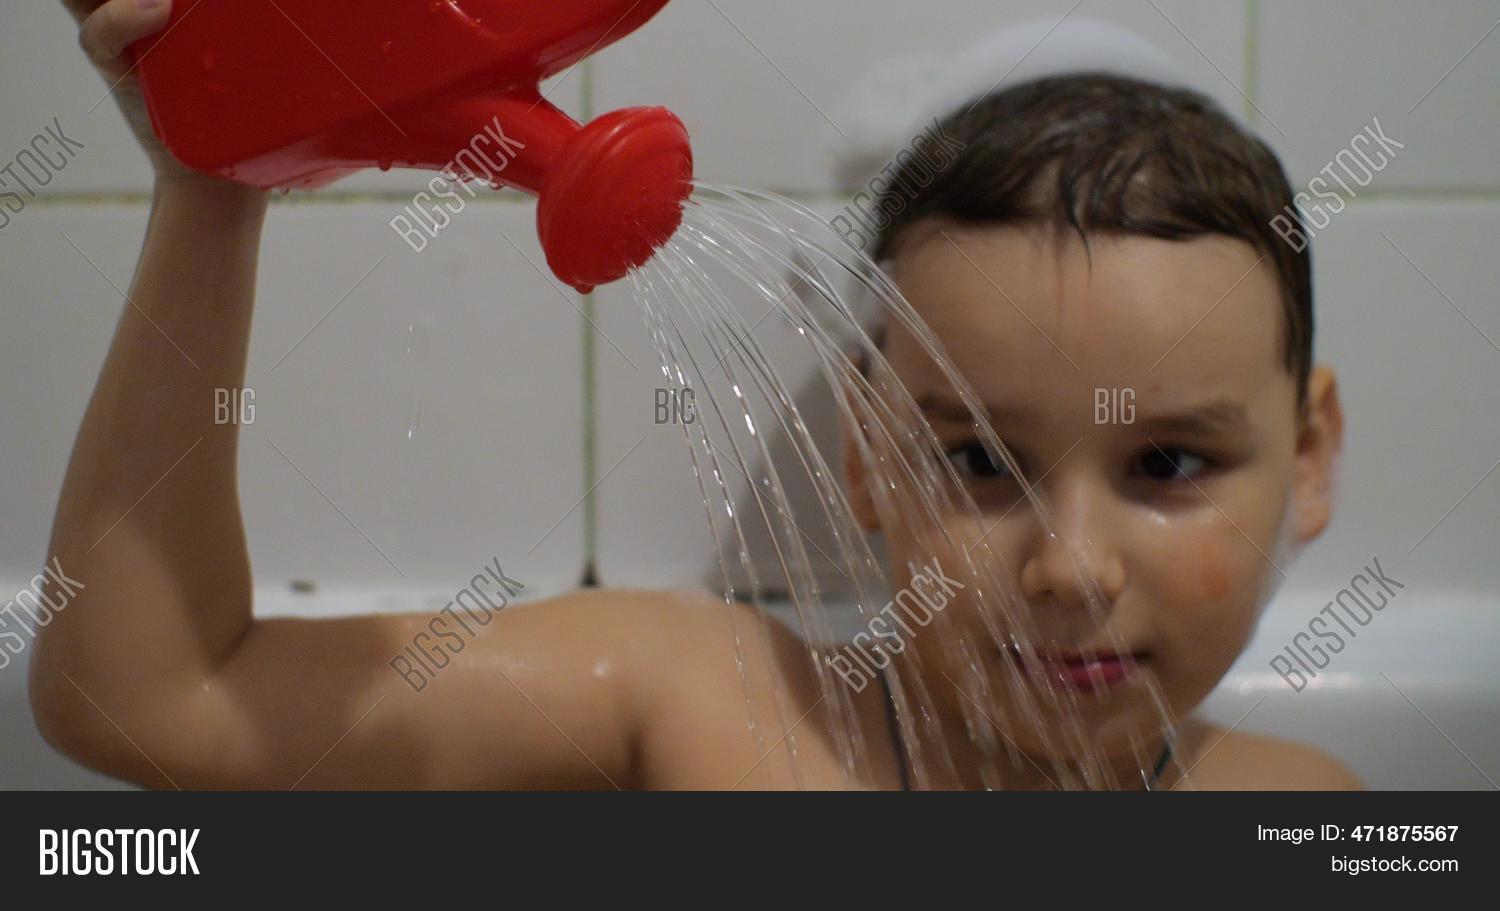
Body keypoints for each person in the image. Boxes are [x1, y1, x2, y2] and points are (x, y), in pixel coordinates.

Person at [31, 0, 1361, 790]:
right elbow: (146, 700)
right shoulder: (706, 705)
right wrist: (212, 192)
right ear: (862, 457)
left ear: (1308, 459)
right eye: (975, 462)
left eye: (1170, 467)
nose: (1070, 568)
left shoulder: (1303, 806)